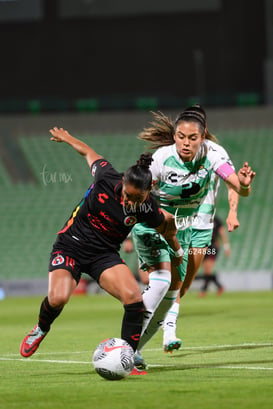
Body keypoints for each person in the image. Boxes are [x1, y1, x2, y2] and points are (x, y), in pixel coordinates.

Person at [19, 127, 183, 375]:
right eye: (128, 195)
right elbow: (88, 153)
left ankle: (126, 357)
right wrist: (67, 138)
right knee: (58, 298)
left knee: (134, 299)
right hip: (71, 244)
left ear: (148, 193)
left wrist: (177, 250)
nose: (131, 202)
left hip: (103, 255)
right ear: (123, 184)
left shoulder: (147, 208)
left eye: (138, 199)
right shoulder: (106, 177)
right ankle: (41, 328)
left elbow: (167, 226)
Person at [130, 104, 255, 369]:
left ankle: (138, 343)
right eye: (181, 136)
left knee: (180, 287)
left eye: (193, 136)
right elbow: (135, 193)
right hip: (157, 224)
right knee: (163, 282)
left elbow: (237, 185)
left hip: (194, 226)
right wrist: (128, 227)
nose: (187, 142)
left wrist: (236, 202)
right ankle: (140, 340)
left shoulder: (215, 154)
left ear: (203, 133)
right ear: (176, 133)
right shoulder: (162, 158)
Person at [198, 215, 231, 297]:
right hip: (203, 246)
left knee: (208, 269)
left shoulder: (216, 220)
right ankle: (219, 287)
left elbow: (223, 234)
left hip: (213, 246)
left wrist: (226, 247)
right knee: (206, 270)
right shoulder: (200, 219)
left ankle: (203, 290)